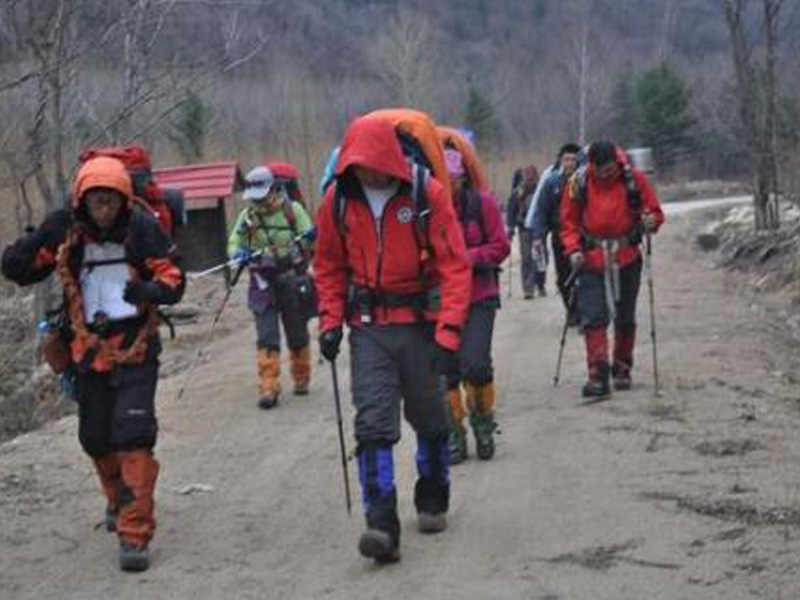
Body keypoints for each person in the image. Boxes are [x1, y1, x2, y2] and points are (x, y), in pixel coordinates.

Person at [1, 156, 185, 572]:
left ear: (123, 200)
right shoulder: (67, 232)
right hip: (87, 351)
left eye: (111, 202)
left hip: (135, 348)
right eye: (96, 202)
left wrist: (148, 290)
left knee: (134, 434)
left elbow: (174, 279)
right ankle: (118, 500)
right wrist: (43, 235)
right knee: (96, 437)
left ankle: (135, 533)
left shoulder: (141, 228)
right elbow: (17, 269)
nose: (103, 210)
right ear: (83, 201)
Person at [314, 114, 471, 563]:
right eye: (359, 164)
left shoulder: (427, 193)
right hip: (369, 329)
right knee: (373, 424)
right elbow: (328, 266)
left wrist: (449, 332)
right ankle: (381, 523)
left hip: (422, 326)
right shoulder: (337, 201)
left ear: (388, 157)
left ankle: (433, 493)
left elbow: (454, 265)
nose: (368, 171)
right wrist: (330, 321)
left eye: (373, 163)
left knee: (431, 418)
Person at [560, 140, 664, 397]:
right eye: (601, 170)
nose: (606, 174)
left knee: (625, 316)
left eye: (609, 169)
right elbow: (568, 222)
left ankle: (622, 368)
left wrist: (651, 221)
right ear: (592, 165)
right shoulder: (577, 182)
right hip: (590, 258)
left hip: (626, 256)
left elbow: (654, 212)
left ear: (615, 163)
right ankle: (598, 374)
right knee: (593, 316)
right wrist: (573, 250)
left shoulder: (634, 179)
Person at [437, 129, 510, 464]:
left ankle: (483, 423)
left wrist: (468, 258)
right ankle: (454, 432)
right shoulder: (429, 209)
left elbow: (501, 246)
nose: (448, 186)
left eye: (452, 180)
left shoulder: (484, 204)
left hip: (479, 295)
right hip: (440, 299)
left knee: (477, 365)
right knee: (445, 370)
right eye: (443, 179)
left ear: (463, 178)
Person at [228, 165, 316, 410]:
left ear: (274, 190)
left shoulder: (293, 210)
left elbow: (309, 238)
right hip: (262, 281)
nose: (258, 202)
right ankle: (268, 387)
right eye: (254, 198)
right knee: (266, 334)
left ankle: (301, 376)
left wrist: (307, 240)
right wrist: (237, 252)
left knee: (297, 332)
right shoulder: (247, 216)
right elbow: (233, 241)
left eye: (262, 196)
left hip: (291, 278)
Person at [527, 143, 582, 321]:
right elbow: (541, 212)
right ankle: (571, 310)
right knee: (564, 277)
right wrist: (538, 237)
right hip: (560, 237)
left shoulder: (585, 181)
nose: (570, 163)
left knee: (584, 276)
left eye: (573, 159)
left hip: (584, 236)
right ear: (560, 161)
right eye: (566, 159)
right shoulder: (551, 183)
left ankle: (584, 313)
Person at [506, 165, 542, 298]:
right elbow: (511, 210)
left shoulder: (540, 190)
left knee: (540, 257)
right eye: (527, 176)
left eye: (531, 176)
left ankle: (540, 283)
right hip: (524, 227)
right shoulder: (518, 192)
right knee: (526, 257)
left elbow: (545, 207)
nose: (529, 178)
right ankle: (528, 288)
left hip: (538, 227)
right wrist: (510, 227)